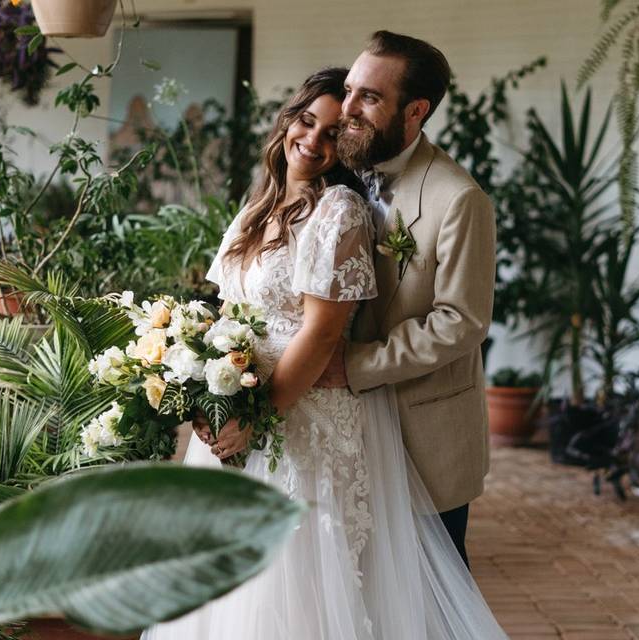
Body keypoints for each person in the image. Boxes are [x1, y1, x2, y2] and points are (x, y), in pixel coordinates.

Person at [142, 62, 505, 640]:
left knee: (300, 586)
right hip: (243, 410)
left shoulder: (342, 209)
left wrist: (255, 418)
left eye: (333, 132)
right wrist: (202, 387)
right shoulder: (256, 206)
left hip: (299, 416)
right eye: (306, 121)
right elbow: (228, 314)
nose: (313, 140)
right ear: (287, 120)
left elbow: (324, 331)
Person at [318, 30, 496, 569]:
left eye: (369, 97)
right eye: (349, 90)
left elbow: (460, 322)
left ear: (415, 110)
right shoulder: (336, 166)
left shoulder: (460, 200)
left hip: (421, 434)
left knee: (433, 599)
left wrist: (354, 365)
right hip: (340, 428)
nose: (346, 108)